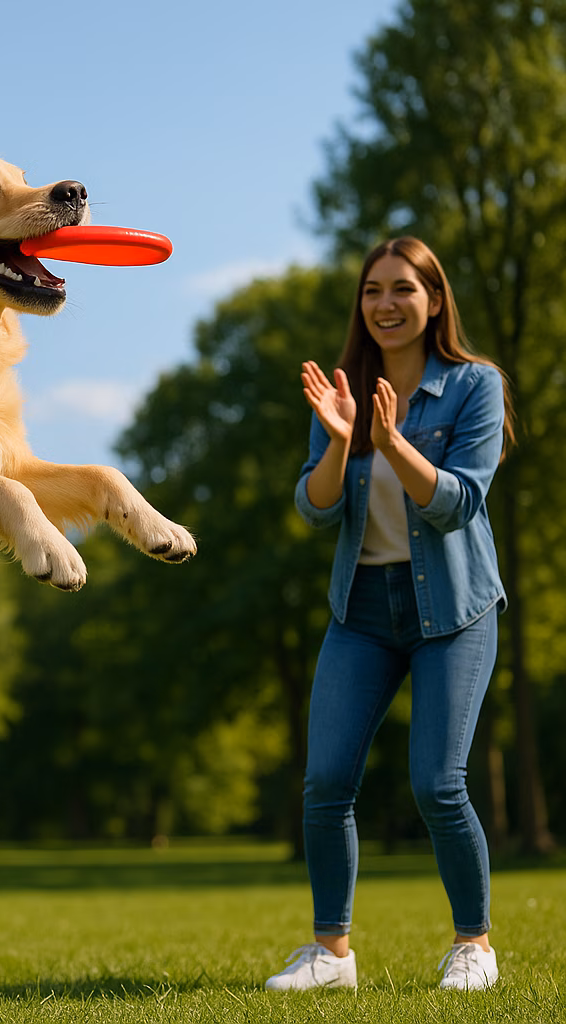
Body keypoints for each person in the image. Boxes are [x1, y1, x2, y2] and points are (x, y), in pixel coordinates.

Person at [266, 237, 515, 993]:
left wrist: (392, 442)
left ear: (434, 300)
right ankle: (330, 955)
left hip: (455, 608)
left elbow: (458, 502)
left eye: (403, 288)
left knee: (438, 783)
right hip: (363, 610)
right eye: (373, 290)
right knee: (326, 781)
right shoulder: (345, 389)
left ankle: (473, 946)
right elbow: (315, 509)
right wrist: (342, 443)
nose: (385, 303)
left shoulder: (475, 386)